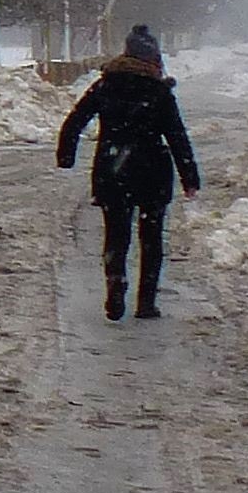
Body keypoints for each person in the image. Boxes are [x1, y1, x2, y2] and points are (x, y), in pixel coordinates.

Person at [55, 23, 199, 321]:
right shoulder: (159, 91)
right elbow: (177, 136)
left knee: (116, 234)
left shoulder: (106, 85)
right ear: (153, 58)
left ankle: (115, 286)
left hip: (113, 170)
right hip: (152, 173)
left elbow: (75, 121)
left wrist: (66, 155)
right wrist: (189, 178)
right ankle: (146, 302)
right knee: (151, 238)